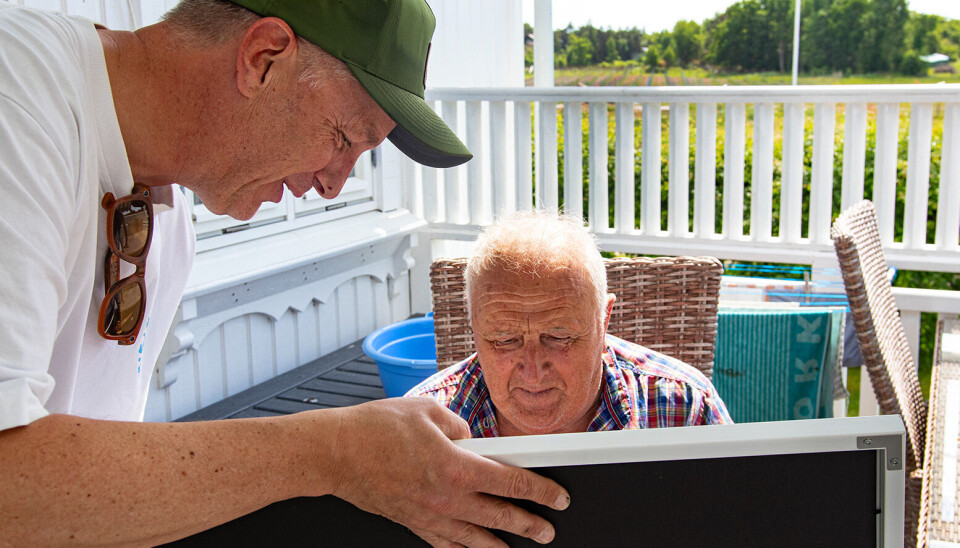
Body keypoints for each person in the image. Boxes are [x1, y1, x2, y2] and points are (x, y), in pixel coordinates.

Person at [0, 0, 570, 545]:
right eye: (343, 139)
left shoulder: (171, 229)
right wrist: (334, 451)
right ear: (263, 57)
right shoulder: (19, 96)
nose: (332, 185)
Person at [407, 211, 733, 436]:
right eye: (504, 339)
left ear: (603, 320)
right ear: (474, 327)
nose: (533, 371)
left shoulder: (684, 407)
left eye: (559, 336)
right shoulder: (422, 429)